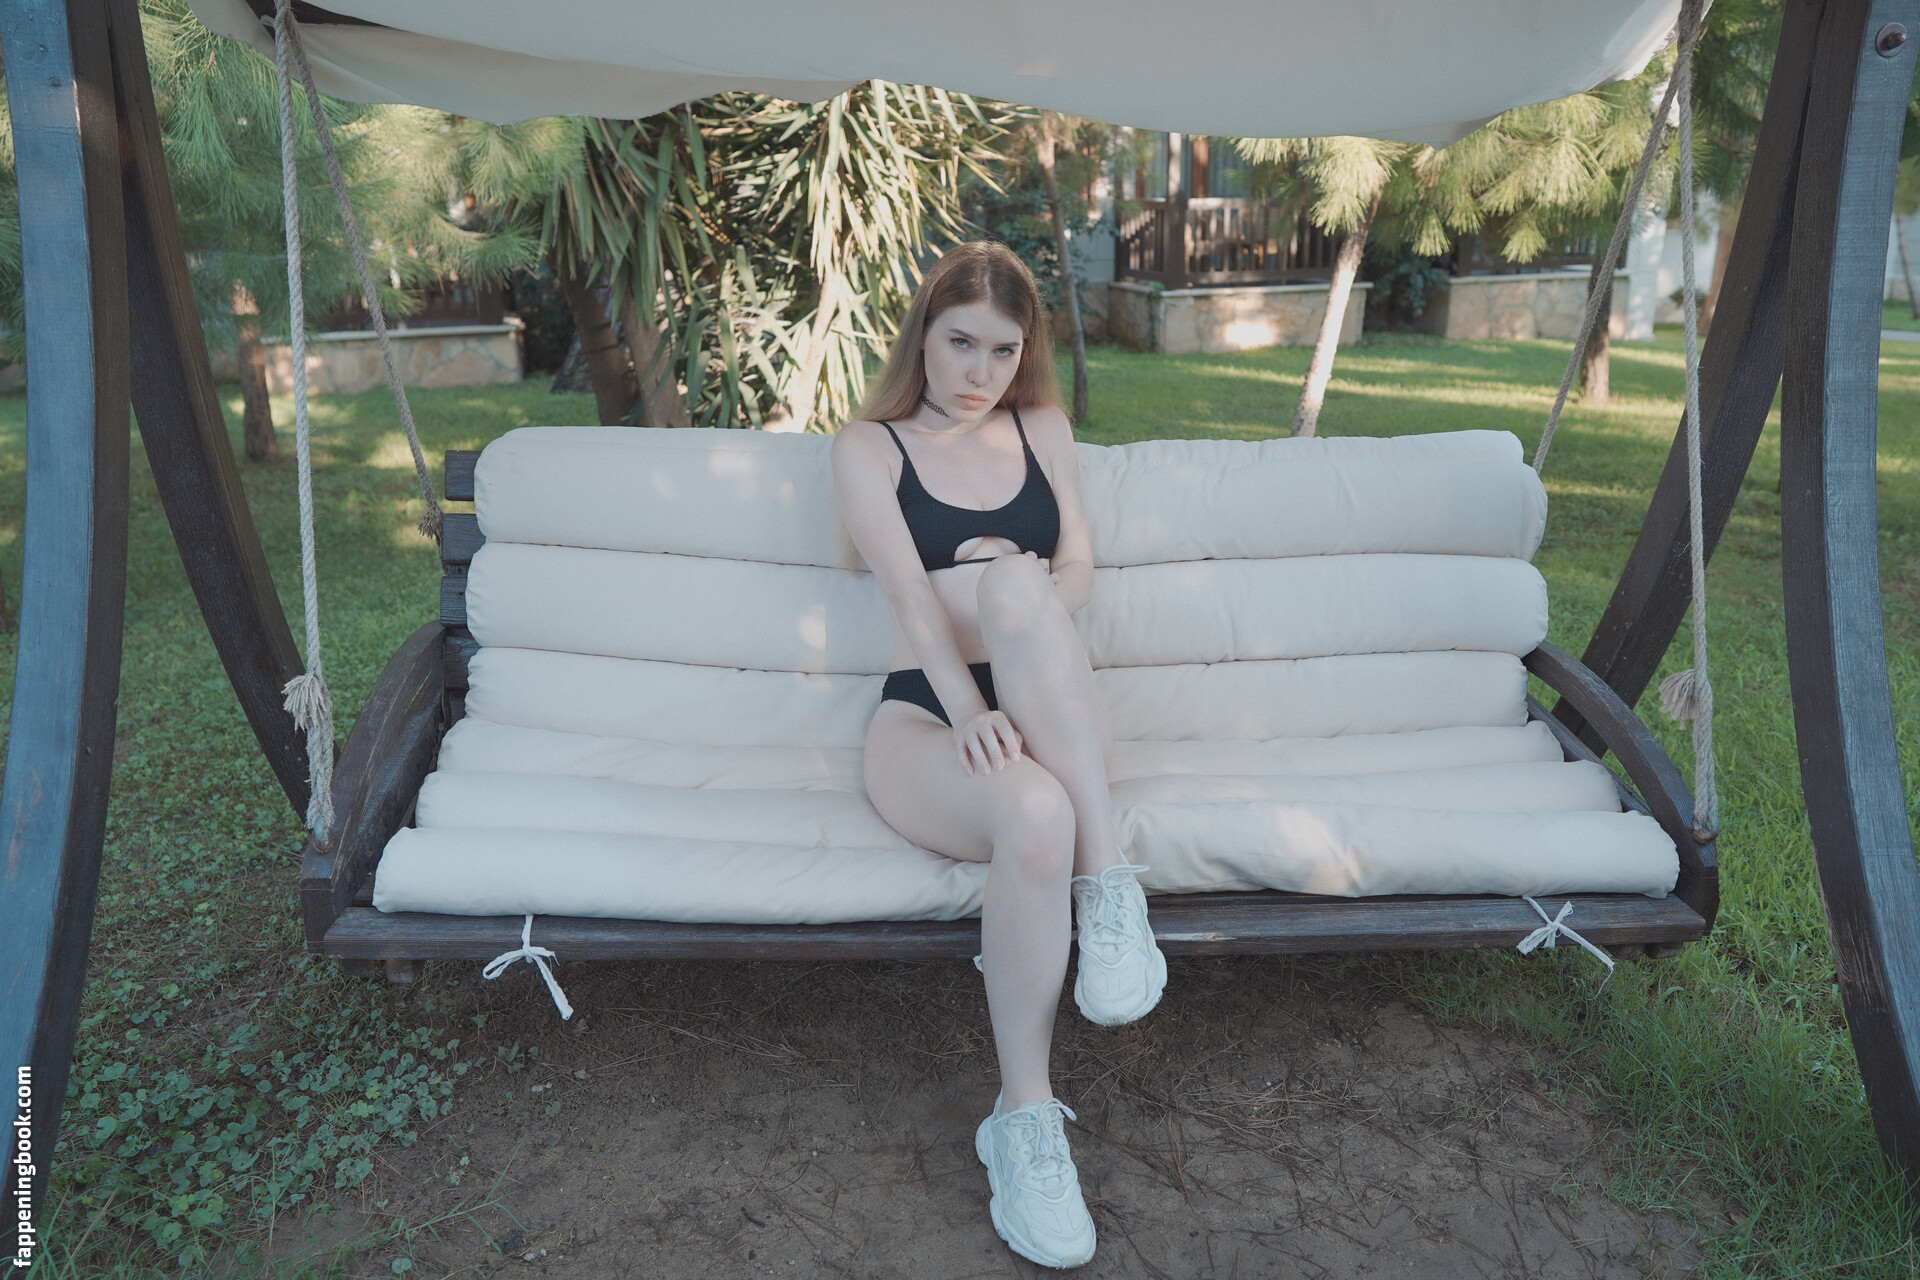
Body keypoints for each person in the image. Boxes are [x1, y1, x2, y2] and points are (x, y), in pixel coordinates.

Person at [831, 241, 1167, 1269]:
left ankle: (1107, 886)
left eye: (1003, 350)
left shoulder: (1042, 430)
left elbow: (1078, 571)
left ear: (1028, 353)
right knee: (1031, 811)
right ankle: (1024, 1118)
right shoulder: (869, 447)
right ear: (922, 338)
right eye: (960, 343)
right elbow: (909, 600)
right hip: (928, 719)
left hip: (1052, 703)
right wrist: (972, 706)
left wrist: (1010, 591)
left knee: (1023, 580)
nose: (980, 371)